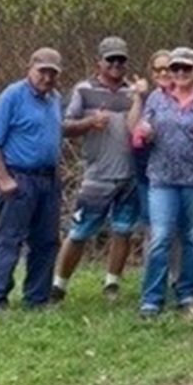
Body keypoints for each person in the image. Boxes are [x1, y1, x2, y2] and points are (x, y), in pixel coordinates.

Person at [133, 46, 193, 316]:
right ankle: (152, 297)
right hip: (162, 179)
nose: (181, 73)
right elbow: (138, 138)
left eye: (186, 68)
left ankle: (186, 291)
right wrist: (144, 133)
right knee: (160, 237)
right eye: (176, 68)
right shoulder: (156, 99)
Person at [50, 35, 144, 303]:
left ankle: (112, 283)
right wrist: (91, 121)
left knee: (123, 230)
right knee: (79, 232)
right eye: (110, 59)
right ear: (99, 62)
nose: (116, 64)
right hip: (97, 175)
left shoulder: (133, 92)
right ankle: (59, 285)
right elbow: (64, 127)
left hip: (129, 174)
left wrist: (139, 98)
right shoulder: (83, 90)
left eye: (121, 60)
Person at [0, 47, 65, 311]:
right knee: (10, 240)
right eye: (43, 71)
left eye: (53, 73)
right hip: (19, 179)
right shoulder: (12, 96)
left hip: (48, 180)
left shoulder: (55, 99)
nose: (47, 78)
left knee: (46, 241)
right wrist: (3, 178)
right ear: (30, 68)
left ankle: (36, 298)